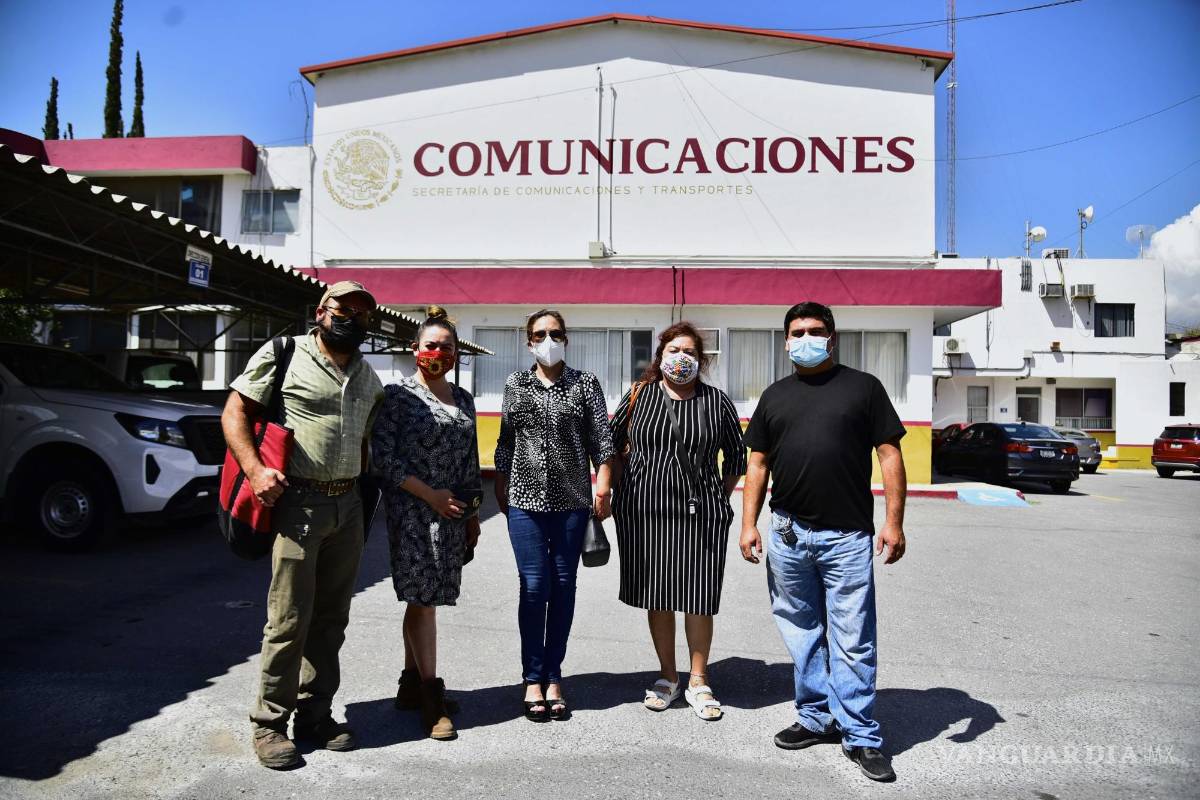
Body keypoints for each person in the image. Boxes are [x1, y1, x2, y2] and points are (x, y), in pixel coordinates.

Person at [739, 301, 908, 783]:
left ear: (832, 337)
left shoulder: (864, 389)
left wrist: (894, 523)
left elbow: (890, 455)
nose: (806, 338)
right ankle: (816, 716)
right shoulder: (774, 396)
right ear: (786, 340)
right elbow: (757, 466)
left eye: (815, 330)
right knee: (801, 631)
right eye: (797, 331)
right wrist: (748, 524)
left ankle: (861, 735)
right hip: (788, 533)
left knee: (853, 639)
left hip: (848, 537)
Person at [222, 280, 384, 770]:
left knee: (332, 618)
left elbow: (366, 440)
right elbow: (234, 412)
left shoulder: (366, 374)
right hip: (299, 504)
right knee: (290, 618)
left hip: (347, 507)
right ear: (321, 310)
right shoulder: (285, 353)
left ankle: (315, 715)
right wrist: (255, 470)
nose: (351, 319)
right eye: (343, 309)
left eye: (362, 314)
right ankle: (269, 724)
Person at [610, 322, 746, 721]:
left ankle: (699, 680)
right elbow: (611, 445)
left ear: (700, 359)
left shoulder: (716, 402)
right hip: (644, 514)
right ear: (660, 356)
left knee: (698, 594)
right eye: (673, 350)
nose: (680, 358)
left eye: (688, 351)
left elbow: (736, 458)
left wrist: (716, 495)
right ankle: (668, 676)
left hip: (700, 514)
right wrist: (620, 489)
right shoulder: (639, 396)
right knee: (658, 594)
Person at [494, 309, 615, 722]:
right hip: (524, 504)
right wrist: (500, 490)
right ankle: (532, 678)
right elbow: (506, 441)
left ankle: (553, 675)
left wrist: (603, 483)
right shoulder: (516, 383)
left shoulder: (585, 383)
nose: (548, 339)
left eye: (556, 333)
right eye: (540, 334)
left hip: (571, 503)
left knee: (563, 587)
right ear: (529, 341)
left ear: (567, 338)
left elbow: (602, 438)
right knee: (533, 587)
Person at [372, 307, 481, 741]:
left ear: (456, 354)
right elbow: (385, 458)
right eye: (430, 345)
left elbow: (470, 461)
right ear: (415, 349)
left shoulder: (465, 400)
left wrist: (472, 516)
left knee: (422, 600)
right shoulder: (398, 397)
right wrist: (428, 495)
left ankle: (410, 683)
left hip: (452, 513)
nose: (438, 352)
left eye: (447, 346)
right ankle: (431, 698)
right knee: (423, 601)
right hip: (414, 511)